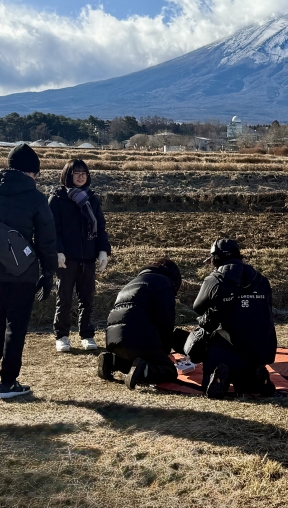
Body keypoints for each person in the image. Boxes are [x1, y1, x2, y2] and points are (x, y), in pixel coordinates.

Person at [185, 239, 277, 399]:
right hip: (261, 350)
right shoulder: (262, 280)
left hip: (226, 348)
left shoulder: (214, 279)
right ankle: (257, 380)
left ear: (215, 258)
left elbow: (197, 307)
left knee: (204, 334)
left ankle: (219, 376)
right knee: (247, 383)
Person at [0, 144, 57, 399]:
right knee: (16, 327)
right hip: (22, 273)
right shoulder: (35, 198)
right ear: (31, 172)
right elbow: (46, 238)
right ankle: (8, 382)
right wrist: (48, 273)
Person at [48, 159, 111, 352]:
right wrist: (57, 251)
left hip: (88, 257)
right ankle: (62, 335)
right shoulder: (57, 199)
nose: (81, 176)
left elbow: (100, 227)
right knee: (64, 297)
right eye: (76, 172)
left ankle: (87, 334)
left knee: (87, 298)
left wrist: (103, 250)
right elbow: (53, 229)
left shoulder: (91, 198)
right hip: (66, 258)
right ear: (68, 175)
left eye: (84, 172)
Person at [98, 257, 181, 390]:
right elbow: (166, 321)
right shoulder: (163, 284)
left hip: (115, 340)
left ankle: (112, 362)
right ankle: (144, 371)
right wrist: (164, 350)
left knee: (131, 362)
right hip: (140, 340)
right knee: (169, 371)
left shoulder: (131, 283)